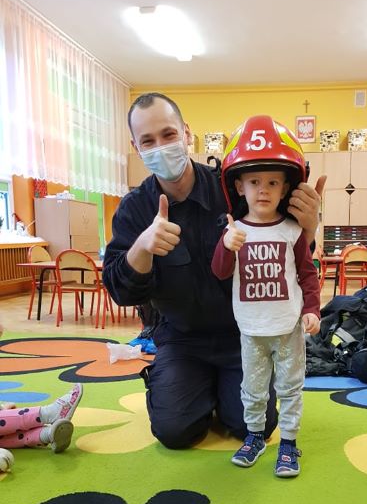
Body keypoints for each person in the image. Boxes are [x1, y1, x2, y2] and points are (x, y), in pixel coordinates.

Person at [103, 93, 325, 449]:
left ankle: (220, 391)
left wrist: (309, 226)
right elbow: (120, 290)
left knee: (255, 425)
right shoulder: (134, 209)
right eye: (148, 141)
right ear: (136, 147)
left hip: (242, 333)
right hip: (180, 338)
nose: (160, 147)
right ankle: (193, 388)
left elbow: (287, 252)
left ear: (186, 133)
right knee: (175, 432)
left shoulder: (233, 186)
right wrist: (143, 246)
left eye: (168, 134)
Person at [211, 115, 321, 477]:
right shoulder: (235, 230)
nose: (263, 190)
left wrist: (312, 309)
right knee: (253, 388)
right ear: (239, 186)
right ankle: (255, 436)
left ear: (285, 187)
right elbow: (220, 272)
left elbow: (307, 274)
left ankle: (288, 442)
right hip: (251, 328)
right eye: (254, 182)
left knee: (290, 387)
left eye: (273, 182)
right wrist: (226, 245)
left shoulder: (292, 231)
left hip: (287, 326)